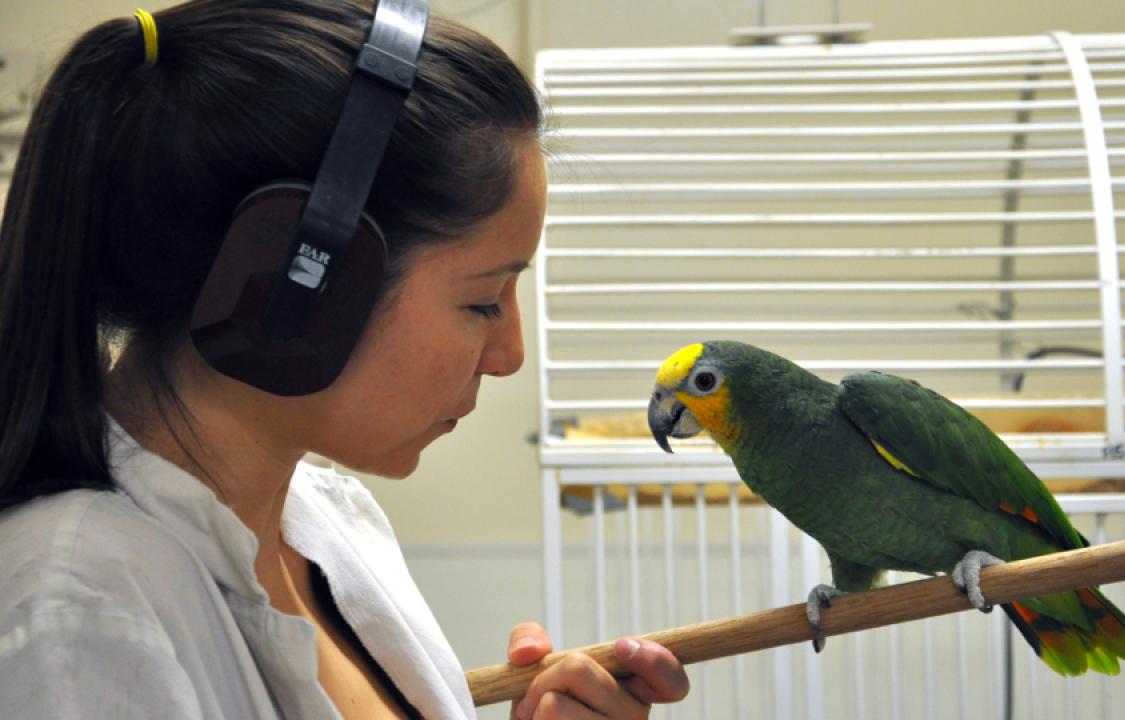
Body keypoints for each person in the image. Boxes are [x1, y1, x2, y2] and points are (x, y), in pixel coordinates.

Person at [0, 1, 689, 718]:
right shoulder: (78, 611)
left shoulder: (331, 526)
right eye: (484, 300)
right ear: (297, 280)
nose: (509, 355)